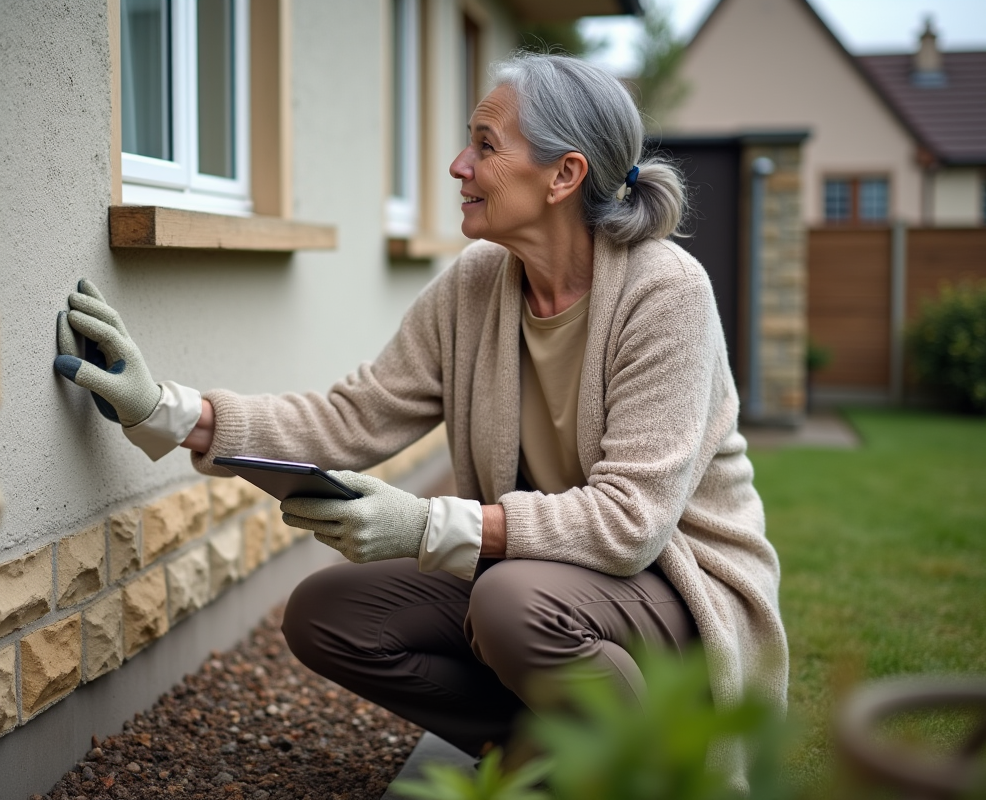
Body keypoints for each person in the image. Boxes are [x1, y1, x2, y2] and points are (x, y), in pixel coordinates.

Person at [54, 53, 787, 790]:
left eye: (486, 145)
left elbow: (631, 525)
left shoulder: (666, 294)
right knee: (326, 614)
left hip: (671, 587)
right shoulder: (476, 285)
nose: (457, 164)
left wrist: (431, 526)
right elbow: (354, 415)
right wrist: (172, 413)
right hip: (551, 583)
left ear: (564, 176)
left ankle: (637, 768)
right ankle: (531, 747)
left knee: (509, 604)